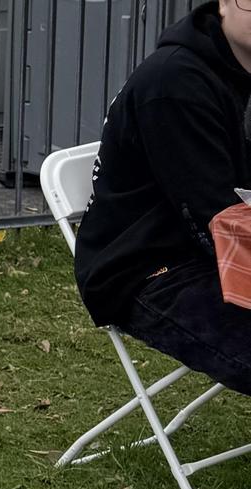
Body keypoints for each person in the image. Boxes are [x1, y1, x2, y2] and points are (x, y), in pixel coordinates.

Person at [78, 1, 251, 392]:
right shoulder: (174, 83)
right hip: (148, 269)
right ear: (224, 3)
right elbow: (215, 219)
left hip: (213, 251)